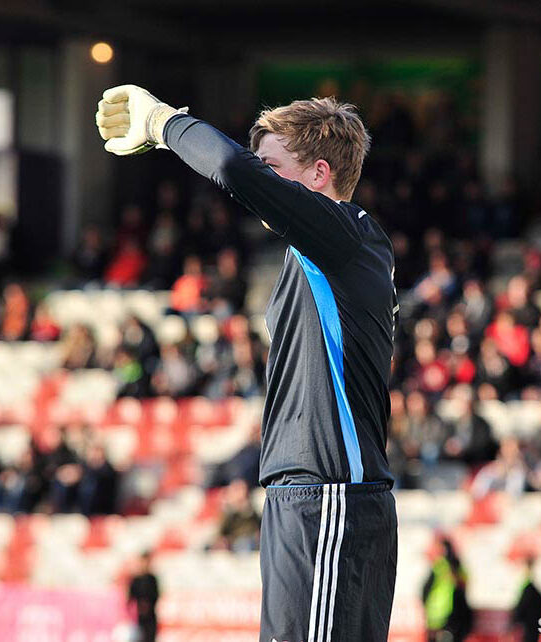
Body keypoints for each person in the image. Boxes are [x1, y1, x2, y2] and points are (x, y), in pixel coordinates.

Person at [97, 85, 398, 641]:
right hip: (307, 499)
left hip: (331, 498)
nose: (261, 178)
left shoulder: (344, 237)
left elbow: (233, 169)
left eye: (274, 166)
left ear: (317, 175)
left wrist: (165, 123)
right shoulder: (316, 254)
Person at [510, 557, 541, 642]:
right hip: (532, 624)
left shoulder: (528, 588)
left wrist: (516, 618)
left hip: (529, 625)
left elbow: (522, 606)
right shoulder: (531, 588)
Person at [127, 551, 160, 642]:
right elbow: (130, 598)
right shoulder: (136, 579)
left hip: (150, 617)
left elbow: (156, 595)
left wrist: (148, 605)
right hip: (138, 617)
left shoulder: (152, 579)